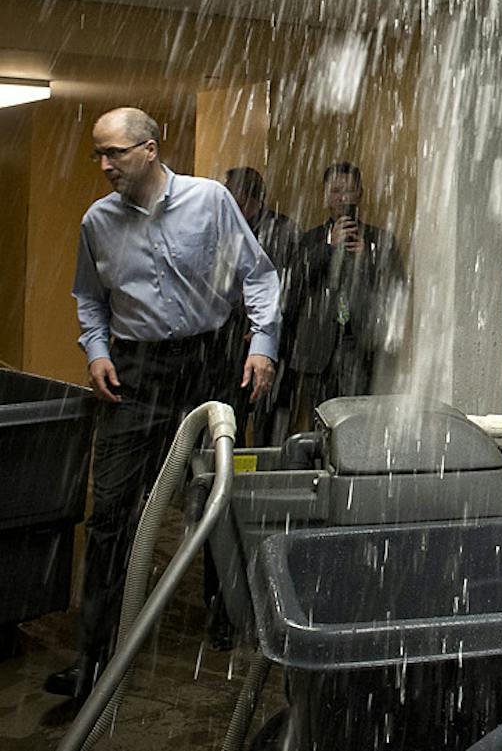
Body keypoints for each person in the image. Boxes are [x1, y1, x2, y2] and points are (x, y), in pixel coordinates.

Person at [48, 108, 279, 700]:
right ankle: (94, 657)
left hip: (209, 360)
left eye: (114, 153)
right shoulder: (96, 222)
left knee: (217, 495)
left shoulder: (210, 201)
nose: (104, 165)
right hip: (135, 371)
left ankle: (229, 621)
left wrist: (262, 344)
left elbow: (258, 275)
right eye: (98, 154)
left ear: (150, 150)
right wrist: (97, 350)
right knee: (111, 512)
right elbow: (89, 298)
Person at [283, 162, 406, 432]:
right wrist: (329, 248)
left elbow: (396, 289)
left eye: (349, 191)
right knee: (320, 423)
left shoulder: (381, 240)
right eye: (336, 191)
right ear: (326, 196)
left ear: (360, 194)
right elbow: (294, 283)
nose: (343, 198)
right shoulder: (308, 240)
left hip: (362, 344)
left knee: (361, 422)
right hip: (318, 348)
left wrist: (368, 259)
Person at [223, 167, 301, 445]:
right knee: (229, 418)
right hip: (228, 340)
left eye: (229, 191)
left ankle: (269, 480)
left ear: (244, 195)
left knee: (272, 420)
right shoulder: (226, 227)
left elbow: (290, 285)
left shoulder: (282, 230)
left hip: (275, 340)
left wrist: (264, 325)